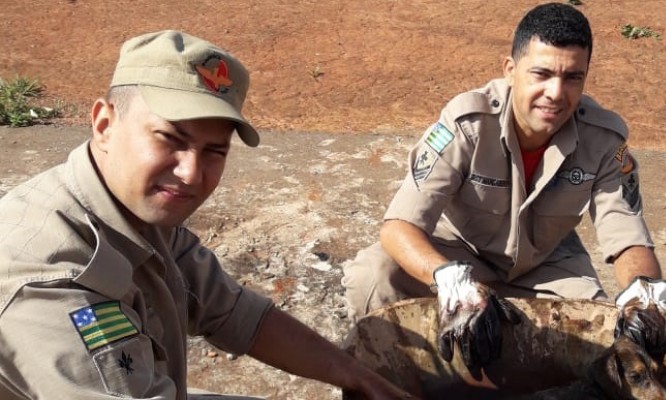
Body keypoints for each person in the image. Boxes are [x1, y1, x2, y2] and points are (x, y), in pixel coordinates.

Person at [0, 30, 416, 399]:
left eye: (214, 151)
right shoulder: (49, 276)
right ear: (104, 124)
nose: (191, 173)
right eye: (169, 138)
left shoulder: (136, 214)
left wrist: (363, 380)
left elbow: (233, 312)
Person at [342, 2, 666, 378]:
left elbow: (628, 232)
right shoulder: (467, 123)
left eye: (572, 77)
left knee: (604, 342)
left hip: (546, 263)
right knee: (371, 276)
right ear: (511, 70)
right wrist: (448, 277)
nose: (555, 92)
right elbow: (399, 226)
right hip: (458, 251)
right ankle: (393, 382)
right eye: (541, 73)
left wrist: (643, 292)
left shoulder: (604, 139)